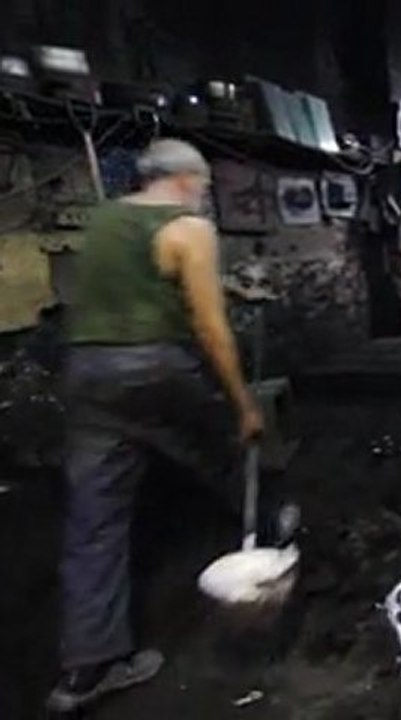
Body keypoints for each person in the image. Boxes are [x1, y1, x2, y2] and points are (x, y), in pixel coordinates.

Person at [47, 139, 264, 712]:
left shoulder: (102, 219)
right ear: (187, 179)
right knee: (224, 447)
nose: (206, 193)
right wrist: (243, 406)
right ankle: (273, 540)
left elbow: (102, 295)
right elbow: (213, 331)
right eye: (205, 183)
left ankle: (86, 668)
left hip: (87, 372)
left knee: (95, 520)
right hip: (153, 369)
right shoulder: (190, 228)